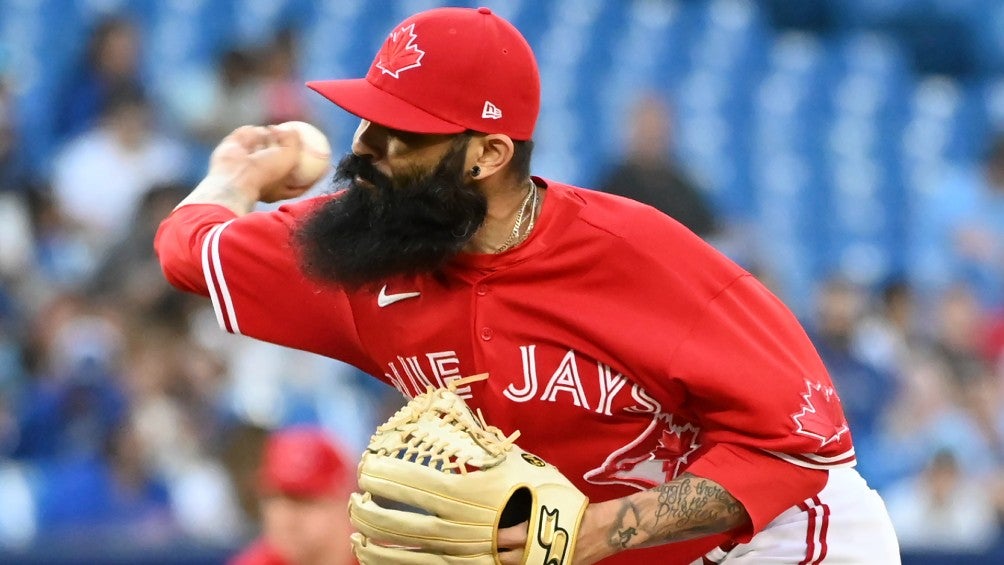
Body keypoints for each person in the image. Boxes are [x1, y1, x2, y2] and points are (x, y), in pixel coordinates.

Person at [156, 7, 899, 564]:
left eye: (401, 132)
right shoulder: (359, 248)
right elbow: (188, 250)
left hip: (782, 543)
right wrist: (238, 173)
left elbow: (805, 445)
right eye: (366, 118)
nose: (366, 147)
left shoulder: (637, 254)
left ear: (487, 152)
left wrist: (596, 529)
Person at [229, 426, 355, 565]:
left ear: (347, 504)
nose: (283, 517)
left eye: (301, 499)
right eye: (271, 497)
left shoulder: (378, 557)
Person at [598, 94, 717, 238]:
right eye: (645, 127)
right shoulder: (613, 186)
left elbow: (710, 228)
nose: (652, 135)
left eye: (657, 127)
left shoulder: (681, 185)